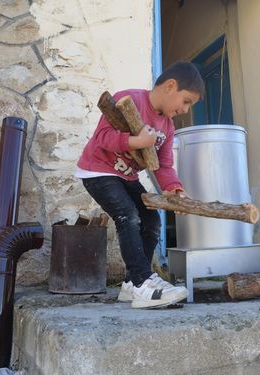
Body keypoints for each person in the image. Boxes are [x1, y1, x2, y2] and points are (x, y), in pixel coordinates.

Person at [77, 61, 204, 308]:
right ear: (171, 86)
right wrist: (136, 141)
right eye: (186, 101)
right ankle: (141, 282)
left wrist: (175, 189)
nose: (186, 109)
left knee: (151, 220)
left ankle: (130, 284)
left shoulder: (167, 126)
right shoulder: (128, 100)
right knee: (128, 215)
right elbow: (102, 138)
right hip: (97, 171)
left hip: (127, 177)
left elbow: (164, 166)